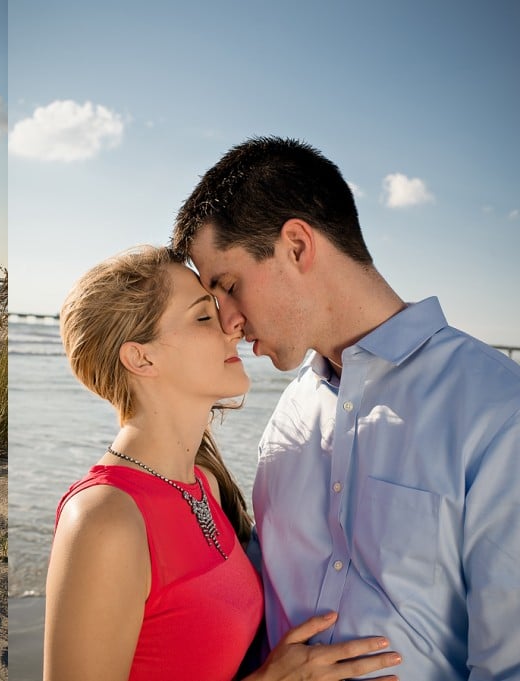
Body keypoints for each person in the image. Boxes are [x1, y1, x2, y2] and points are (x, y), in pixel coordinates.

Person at [171, 136, 520, 679]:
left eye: (230, 286)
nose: (228, 322)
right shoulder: (289, 415)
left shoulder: (496, 409)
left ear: (296, 246)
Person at [44, 245, 402, 681]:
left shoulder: (204, 483)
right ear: (142, 357)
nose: (232, 329)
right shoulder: (105, 519)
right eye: (202, 317)